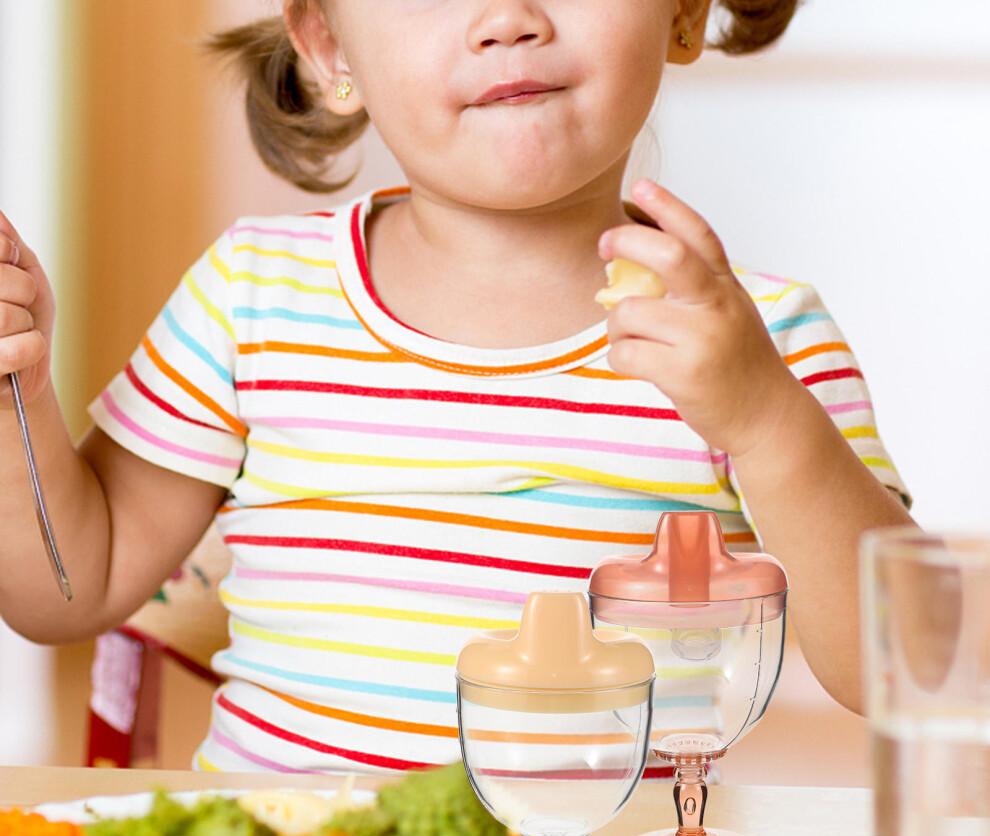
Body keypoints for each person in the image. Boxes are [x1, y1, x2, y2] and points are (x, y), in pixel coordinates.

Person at [0, 0, 914, 775]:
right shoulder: (253, 295)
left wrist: (764, 422)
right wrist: (19, 394)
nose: (505, 20)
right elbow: (64, 592)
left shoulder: (754, 340)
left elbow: (902, 670)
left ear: (681, 10)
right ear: (328, 49)